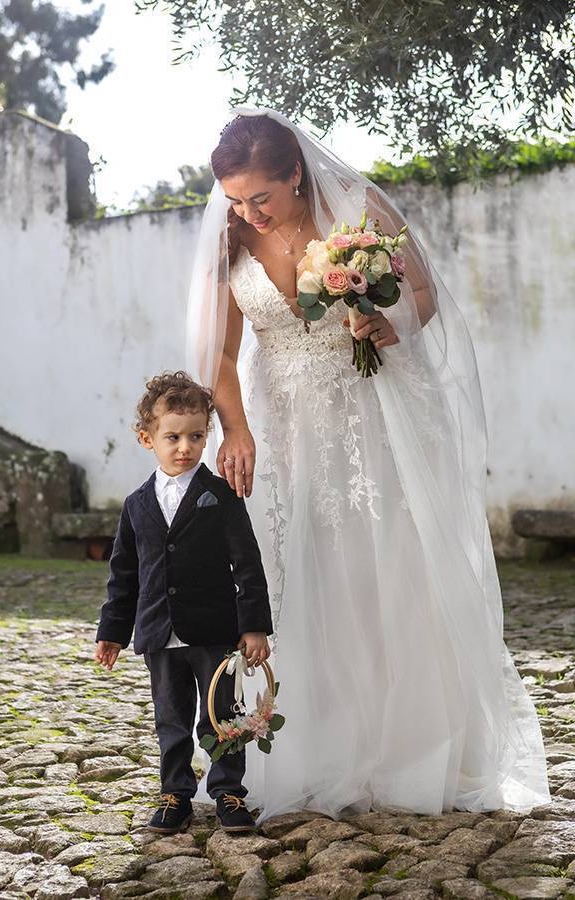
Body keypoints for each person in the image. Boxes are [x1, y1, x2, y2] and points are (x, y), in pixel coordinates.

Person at [186, 107, 550, 823]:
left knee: (390, 564)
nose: (248, 212)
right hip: (283, 421)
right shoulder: (230, 243)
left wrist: (385, 322)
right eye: (235, 199)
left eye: (261, 196)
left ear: (295, 172)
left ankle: (413, 746)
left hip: (373, 409)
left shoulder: (358, 211)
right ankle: (312, 748)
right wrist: (237, 430)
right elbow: (221, 357)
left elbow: (423, 295)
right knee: (301, 574)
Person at [94, 371, 273, 833]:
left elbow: (247, 564)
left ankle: (228, 793)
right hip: (158, 633)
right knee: (171, 721)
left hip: (214, 631)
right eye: (172, 437)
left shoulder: (221, 495)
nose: (184, 447)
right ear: (146, 438)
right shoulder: (136, 505)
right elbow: (124, 574)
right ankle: (175, 794)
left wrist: (253, 626)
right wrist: (112, 632)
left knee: (222, 717)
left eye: (196, 436)